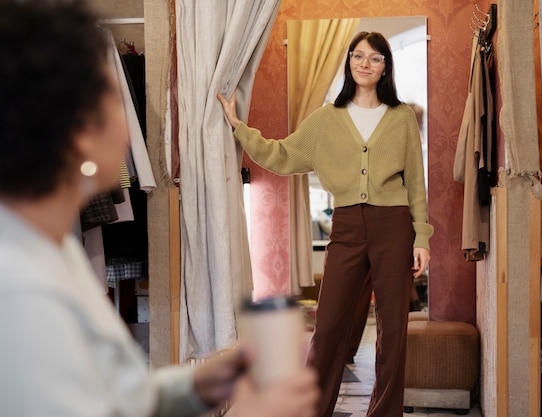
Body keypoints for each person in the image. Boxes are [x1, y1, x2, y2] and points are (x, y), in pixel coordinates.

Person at [0, 1, 319, 416]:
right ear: (81, 133)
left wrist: (196, 385)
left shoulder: (53, 253)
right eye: (117, 99)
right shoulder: (25, 294)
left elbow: (115, 395)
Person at [219, 31, 433, 417]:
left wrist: (422, 238)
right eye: (358, 56)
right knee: (329, 326)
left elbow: (415, 184)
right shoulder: (325, 119)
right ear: (349, 62)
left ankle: (385, 413)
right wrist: (238, 126)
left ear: (386, 67)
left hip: (394, 226)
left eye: (375, 58)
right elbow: (282, 155)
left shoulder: (401, 118)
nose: (365, 64)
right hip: (347, 227)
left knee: (393, 329)